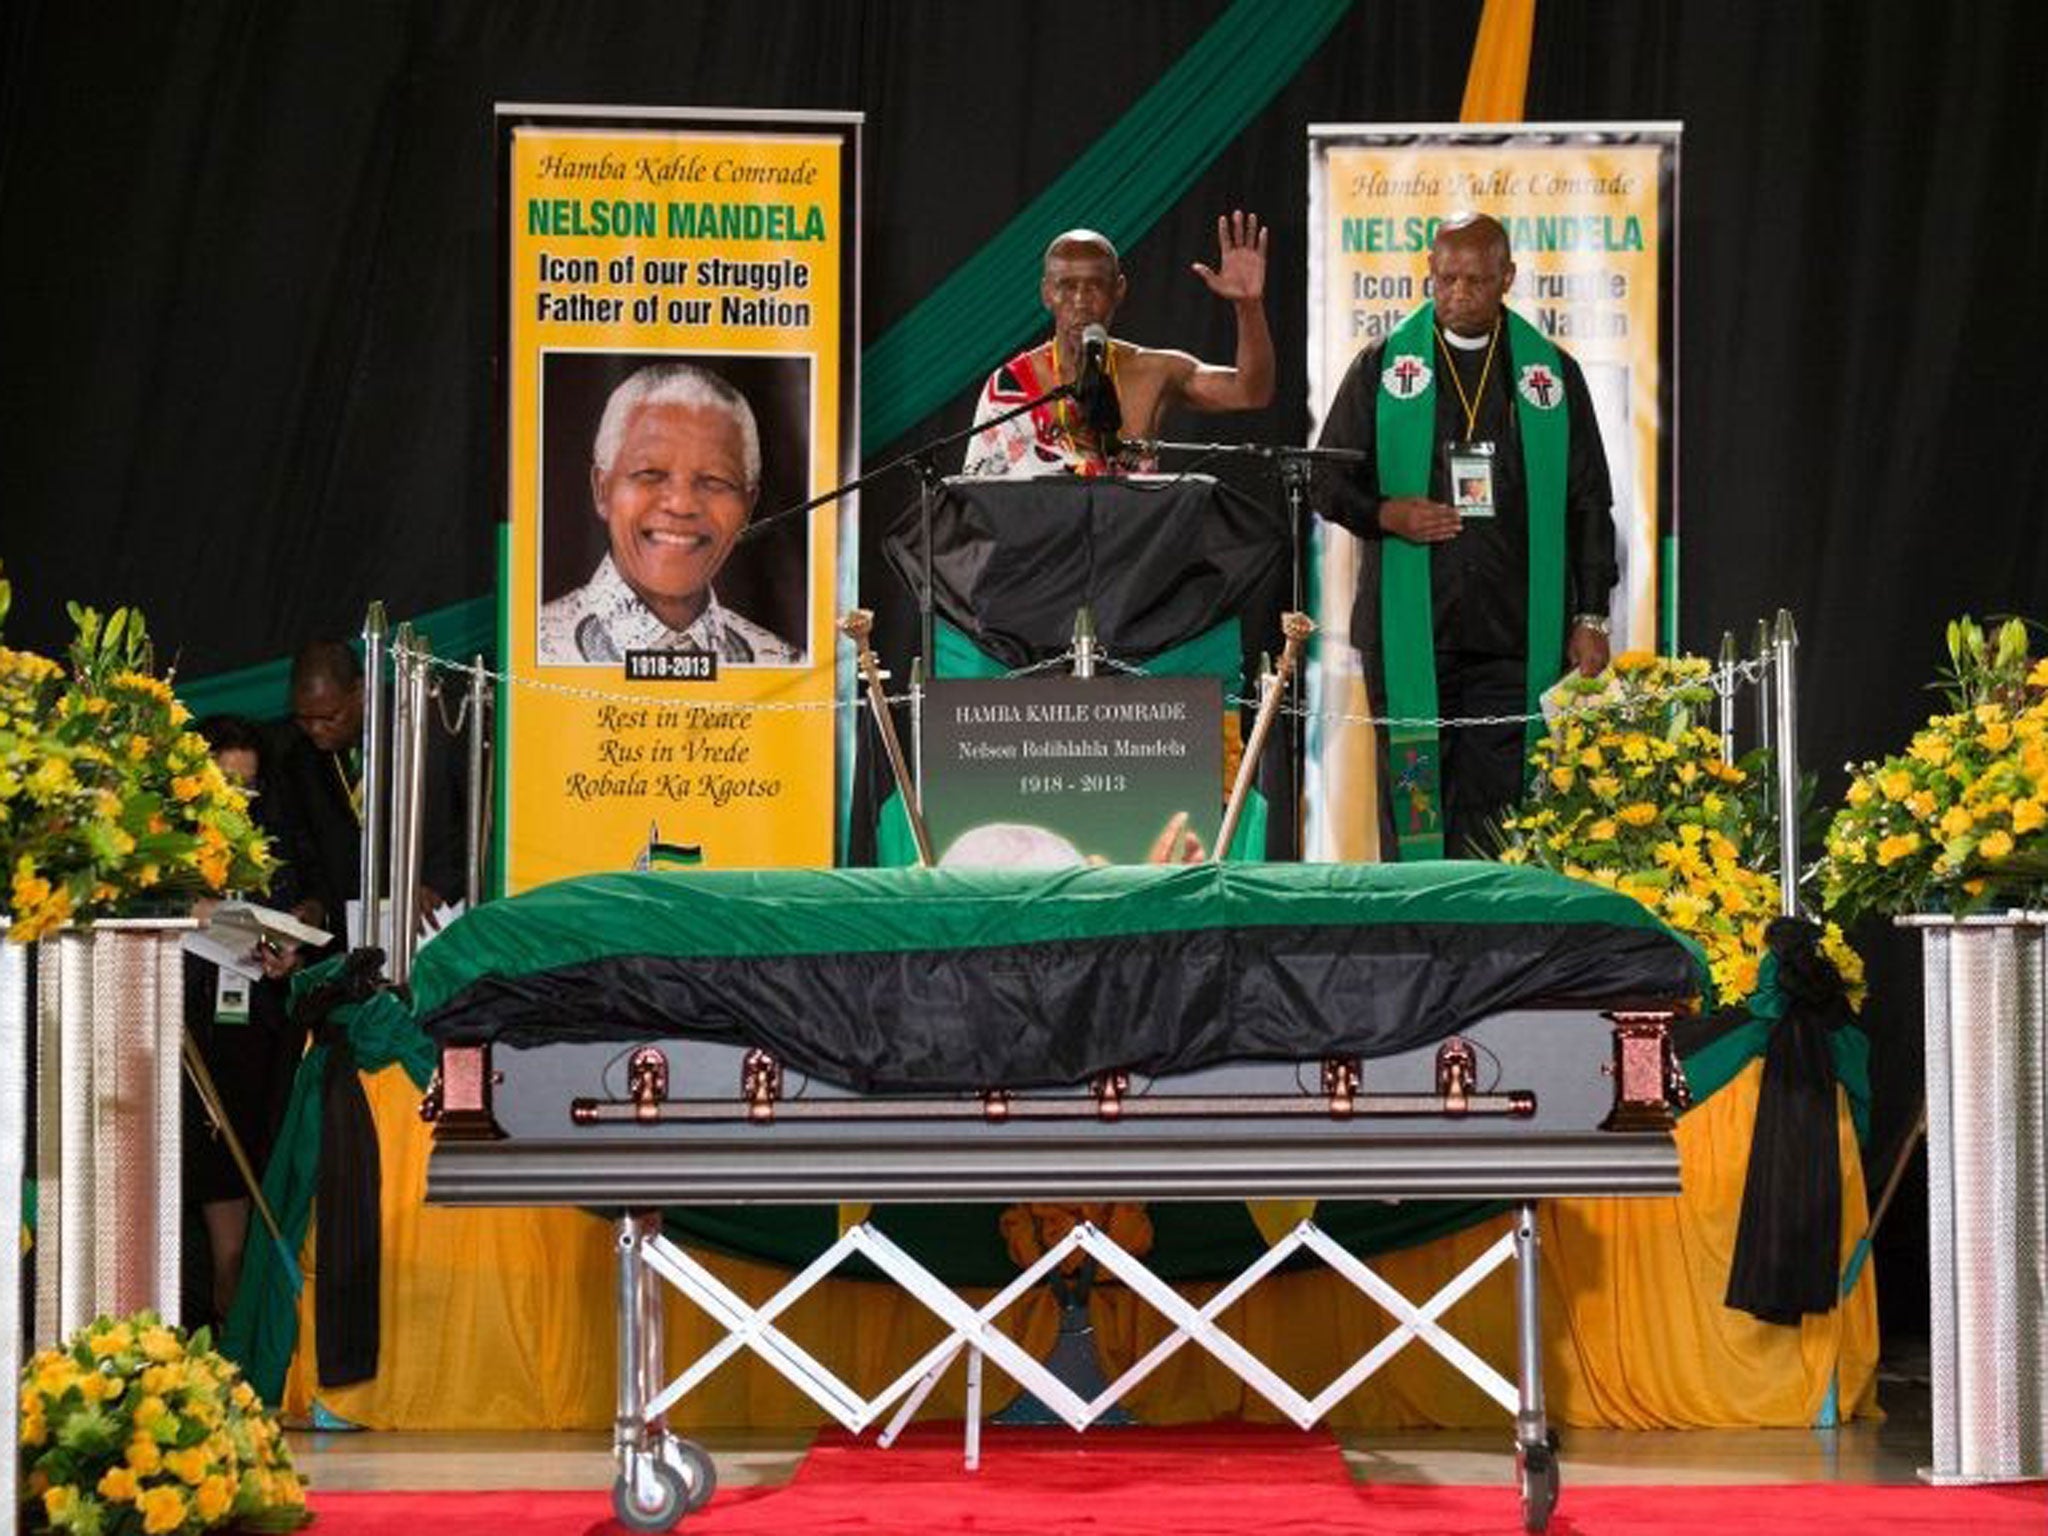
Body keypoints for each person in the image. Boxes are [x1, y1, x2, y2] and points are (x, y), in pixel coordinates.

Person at [1314, 212, 1617, 859]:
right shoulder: (1383, 367)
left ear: (1507, 277)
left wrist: (1592, 612)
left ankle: (1489, 949)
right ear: (1428, 273)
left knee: (1501, 816)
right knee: (1415, 803)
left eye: (1476, 280)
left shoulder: (1549, 378)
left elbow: (1590, 503)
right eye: (1445, 278)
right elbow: (1325, 482)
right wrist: (1386, 513)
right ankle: (1421, 940)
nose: (1457, 293)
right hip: (1412, 632)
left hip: (1515, 635)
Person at [961, 212, 1274, 477]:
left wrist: (1248, 307)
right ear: (1046, 294)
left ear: (1119, 290)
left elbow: (1251, 392)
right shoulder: (1009, 387)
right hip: (1038, 550)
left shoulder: (1154, 371)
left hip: (1136, 548)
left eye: (1095, 286)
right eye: (1066, 287)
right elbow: (976, 502)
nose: (1081, 302)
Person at [183, 715, 315, 1326]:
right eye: (223, 785)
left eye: (248, 788)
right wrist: (205, 910)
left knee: (247, 1185)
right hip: (180, 1034)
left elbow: (302, 903)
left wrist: (287, 947)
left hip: (252, 1034)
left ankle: (243, 1336)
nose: (238, 800)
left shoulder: (270, 838)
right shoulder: (162, 834)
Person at [539, 362, 801, 665]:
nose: (681, 504)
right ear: (602, 489)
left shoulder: (784, 665)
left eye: (715, 480)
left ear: (749, 505)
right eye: (650, 473)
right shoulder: (532, 654)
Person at [276, 639, 464, 943]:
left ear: (361, 692)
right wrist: (316, 905)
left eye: (328, 717)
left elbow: (474, 821)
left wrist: (439, 885)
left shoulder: (427, 726)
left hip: (438, 916)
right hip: (357, 935)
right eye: (303, 719)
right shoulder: (301, 760)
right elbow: (310, 852)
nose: (315, 730)